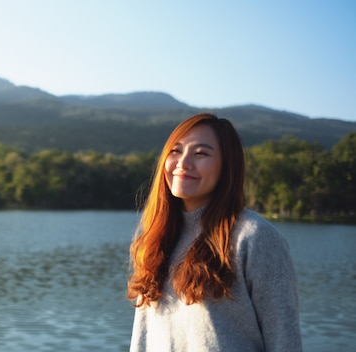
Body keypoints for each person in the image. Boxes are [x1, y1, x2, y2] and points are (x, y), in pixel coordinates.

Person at [127, 113, 302, 351]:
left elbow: (284, 339)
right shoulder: (157, 238)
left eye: (201, 153)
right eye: (175, 151)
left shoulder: (253, 237)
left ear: (226, 167)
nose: (183, 163)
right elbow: (143, 336)